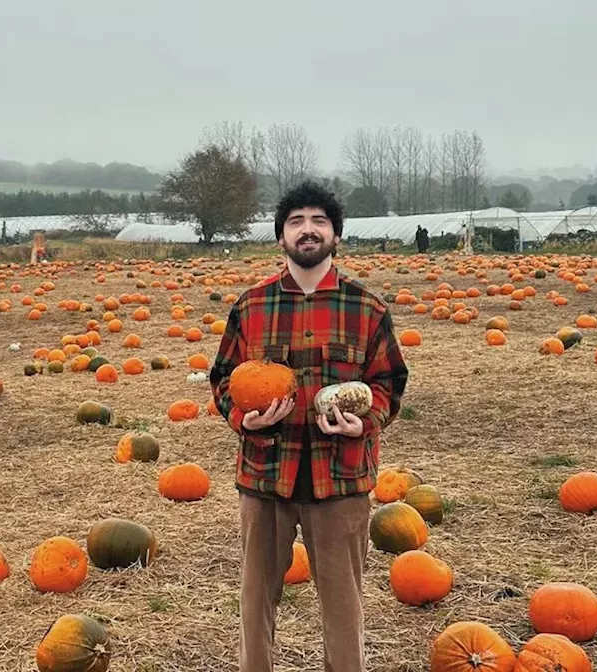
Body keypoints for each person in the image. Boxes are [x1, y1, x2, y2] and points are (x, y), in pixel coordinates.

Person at [210, 181, 409, 672]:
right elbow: (222, 380)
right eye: (296, 221)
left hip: (339, 479)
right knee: (256, 602)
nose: (308, 230)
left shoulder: (367, 308)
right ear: (281, 237)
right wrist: (244, 420)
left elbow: (388, 383)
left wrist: (362, 426)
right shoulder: (251, 307)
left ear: (335, 235)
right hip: (264, 477)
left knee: (344, 609)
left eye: (319, 220)